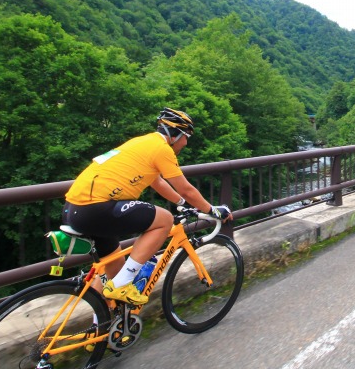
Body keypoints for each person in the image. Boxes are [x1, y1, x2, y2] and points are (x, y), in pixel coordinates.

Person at [62, 108, 232, 306]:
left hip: (74, 208)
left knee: (114, 267)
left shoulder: (142, 142)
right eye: (186, 137)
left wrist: (181, 204)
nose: (186, 143)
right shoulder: (162, 149)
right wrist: (212, 210)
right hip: (95, 208)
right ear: (175, 134)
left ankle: (100, 326)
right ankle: (122, 285)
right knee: (164, 220)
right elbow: (186, 188)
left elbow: (156, 181)